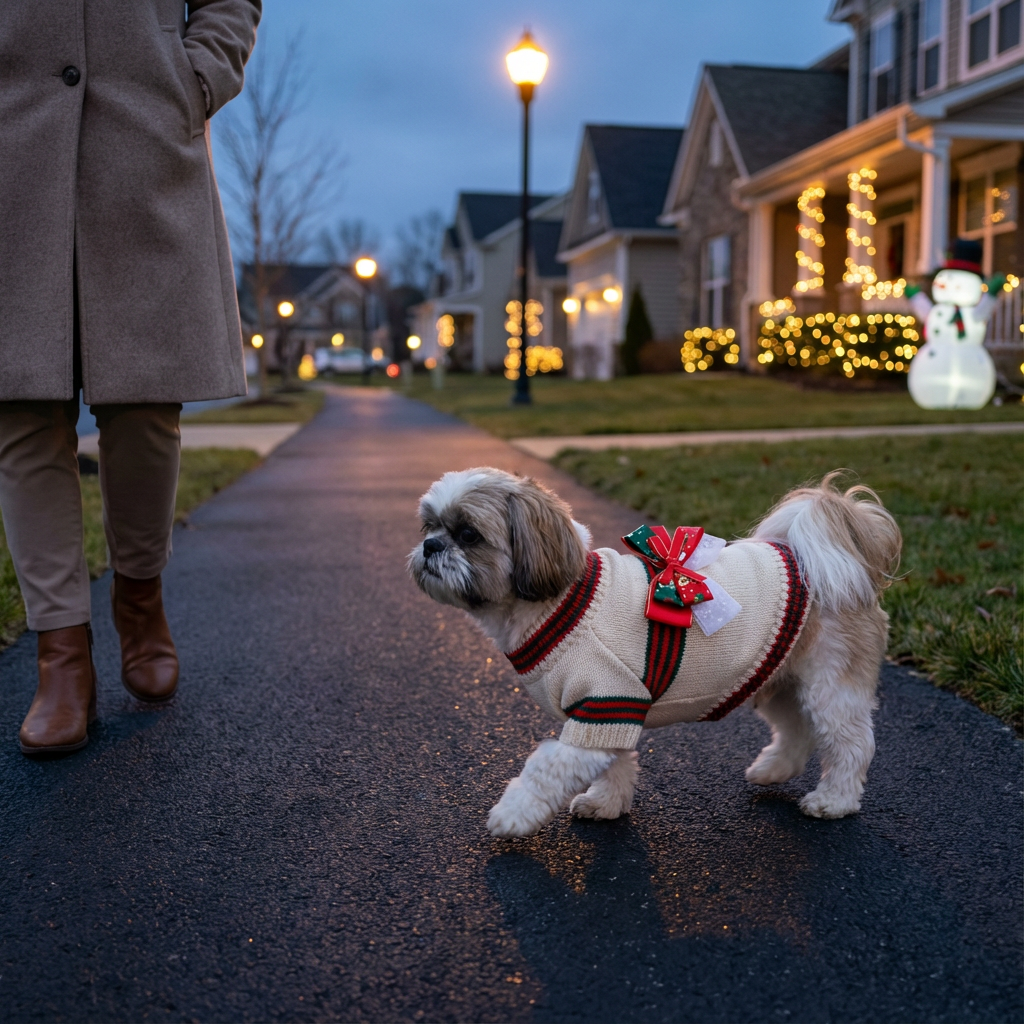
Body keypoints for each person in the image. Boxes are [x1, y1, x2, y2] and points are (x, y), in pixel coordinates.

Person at [0, 1, 262, 754]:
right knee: (22, 408)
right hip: (13, 144)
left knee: (146, 403)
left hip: (144, 132)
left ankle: (139, 598)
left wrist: (195, 78)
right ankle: (61, 656)